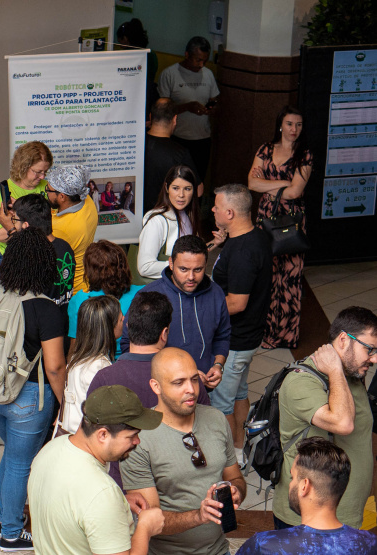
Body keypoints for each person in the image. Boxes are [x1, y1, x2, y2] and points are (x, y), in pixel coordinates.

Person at [0, 227, 66, 551]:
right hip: (28, 397)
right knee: (20, 462)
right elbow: (54, 366)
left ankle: (8, 511)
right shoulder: (46, 308)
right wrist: (65, 404)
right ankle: (11, 534)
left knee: (14, 454)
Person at [121, 348, 246, 555]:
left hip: (218, 550)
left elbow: (235, 477)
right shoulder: (138, 439)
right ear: (156, 386)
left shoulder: (216, 419)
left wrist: (236, 491)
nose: (191, 389)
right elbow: (150, 518)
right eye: (178, 383)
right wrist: (200, 515)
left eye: (195, 379)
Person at [88, 291, 211, 487]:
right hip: (177, 484)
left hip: (123, 487)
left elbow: (92, 438)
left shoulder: (104, 378)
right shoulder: (190, 382)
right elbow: (205, 430)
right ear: (164, 333)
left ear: (128, 327)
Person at [272, 306, 377, 530]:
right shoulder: (301, 381)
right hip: (307, 522)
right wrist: (335, 370)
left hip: (347, 515)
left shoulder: (354, 374)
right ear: (343, 340)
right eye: (369, 349)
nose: (374, 359)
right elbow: (343, 423)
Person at [28, 385, 165, 554]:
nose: (137, 441)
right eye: (131, 436)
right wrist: (145, 528)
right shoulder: (101, 493)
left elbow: (74, 508)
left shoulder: (50, 450)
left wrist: (119, 503)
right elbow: (95, 497)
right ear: (102, 435)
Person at [209, 184, 272, 452]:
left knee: (221, 405)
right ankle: (239, 446)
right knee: (240, 393)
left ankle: (229, 460)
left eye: (217, 206)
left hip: (235, 341)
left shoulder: (243, 252)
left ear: (230, 213)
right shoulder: (251, 238)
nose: (212, 209)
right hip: (248, 337)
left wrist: (202, 309)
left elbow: (236, 302)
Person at [121, 235, 227, 391]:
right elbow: (128, 345)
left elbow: (222, 336)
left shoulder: (216, 294)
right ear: (171, 263)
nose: (191, 277)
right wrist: (184, 374)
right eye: (183, 269)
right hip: (161, 392)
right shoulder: (149, 297)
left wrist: (218, 365)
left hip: (204, 389)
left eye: (198, 270)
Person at [237, 437, 377, 554]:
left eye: (292, 478)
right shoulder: (369, 543)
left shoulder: (265, 545)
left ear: (304, 486)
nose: (290, 484)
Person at [248, 106, 313, 350]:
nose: (294, 129)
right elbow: (251, 183)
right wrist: (286, 181)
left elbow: (296, 192)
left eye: (298, 125)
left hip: (292, 221)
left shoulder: (304, 155)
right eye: (289, 124)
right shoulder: (265, 149)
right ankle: (265, 332)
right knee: (267, 275)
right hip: (266, 218)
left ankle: (286, 336)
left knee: (290, 277)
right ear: (280, 125)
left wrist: (269, 184)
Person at [10, 193, 76, 344]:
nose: (14, 225)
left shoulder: (31, 257)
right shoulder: (65, 247)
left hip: (40, 338)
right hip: (64, 329)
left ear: (26, 225)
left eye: (15, 221)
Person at [157, 36, 220, 183]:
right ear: (187, 55)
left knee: (198, 181)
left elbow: (215, 100)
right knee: (177, 181)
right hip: (178, 138)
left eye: (205, 60)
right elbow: (162, 110)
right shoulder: (170, 74)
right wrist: (187, 107)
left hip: (202, 138)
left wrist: (213, 109)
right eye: (198, 60)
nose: (201, 64)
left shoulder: (208, 74)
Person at [0, 141, 53, 278]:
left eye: (45, 172)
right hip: (13, 261)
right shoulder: (2, 195)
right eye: (38, 172)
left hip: (40, 258)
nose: (42, 177)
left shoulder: (48, 187)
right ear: (23, 167)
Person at [68, 240, 142, 357]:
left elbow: (76, 347)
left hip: (97, 366)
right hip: (133, 362)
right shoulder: (142, 292)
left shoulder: (81, 301)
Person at [62, 295, 122, 433]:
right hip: (85, 437)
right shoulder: (99, 367)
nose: (123, 319)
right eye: (119, 319)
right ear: (108, 327)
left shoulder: (78, 357)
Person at [135, 165, 203, 282]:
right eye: (175, 188)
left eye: (187, 189)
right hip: (161, 292)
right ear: (167, 188)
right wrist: (182, 266)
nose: (181, 195)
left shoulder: (188, 216)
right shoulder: (157, 221)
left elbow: (191, 255)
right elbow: (144, 267)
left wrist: (214, 243)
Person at [143, 98, 204, 213]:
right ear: (175, 119)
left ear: (150, 117)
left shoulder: (134, 145)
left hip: (135, 217)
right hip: (166, 216)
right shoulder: (180, 153)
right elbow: (198, 190)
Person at [45, 164, 97, 295]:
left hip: (70, 290)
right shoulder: (87, 202)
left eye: (48, 190)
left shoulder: (62, 229)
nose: (46, 192)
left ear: (62, 197)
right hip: (85, 282)